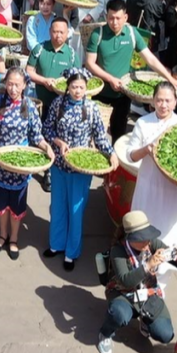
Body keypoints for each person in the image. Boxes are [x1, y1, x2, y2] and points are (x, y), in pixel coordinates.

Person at [42, 67, 113, 270]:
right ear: (68, 87)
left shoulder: (91, 109)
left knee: (76, 209)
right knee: (57, 206)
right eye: (74, 87)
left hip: (81, 169)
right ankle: (56, 245)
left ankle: (71, 252)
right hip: (59, 164)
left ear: (86, 88)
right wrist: (58, 142)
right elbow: (47, 128)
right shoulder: (58, 104)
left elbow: (100, 136)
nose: (78, 91)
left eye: (81, 87)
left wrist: (111, 153)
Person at [96, 211, 177, 353]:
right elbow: (126, 280)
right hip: (123, 293)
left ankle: (146, 320)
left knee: (165, 335)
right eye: (141, 239)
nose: (147, 242)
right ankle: (105, 333)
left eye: (148, 236)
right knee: (119, 314)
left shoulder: (151, 243)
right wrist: (148, 265)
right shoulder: (118, 251)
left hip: (148, 292)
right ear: (129, 238)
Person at [87, 0, 177, 139]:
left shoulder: (132, 33)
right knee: (95, 133)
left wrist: (171, 79)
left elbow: (150, 59)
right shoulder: (97, 34)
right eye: (111, 18)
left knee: (119, 132)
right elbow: (90, 63)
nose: (114, 22)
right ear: (106, 16)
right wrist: (110, 79)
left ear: (125, 17)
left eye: (118, 18)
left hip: (123, 94)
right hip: (101, 92)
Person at [0, 67, 51, 261]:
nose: (13, 89)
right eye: (10, 84)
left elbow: (36, 135)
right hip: (1, 162)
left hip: (21, 165)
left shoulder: (29, 106)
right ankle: (2, 235)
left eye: (17, 85)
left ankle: (13, 239)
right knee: (2, 202)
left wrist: (46, 146)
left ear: (24, 86)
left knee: (17, 204)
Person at [123, 82, 177, 276]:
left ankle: (163, 277)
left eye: (168, 100)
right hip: (148, 186)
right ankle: (140, 273)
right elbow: (130, 155)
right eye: (159, 100)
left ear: (175, 102)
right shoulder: (143, 123)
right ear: (152, 101)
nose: (163, 105)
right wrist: (147, 149)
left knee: (168, 231)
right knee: (144, 229)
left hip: (172, 190)